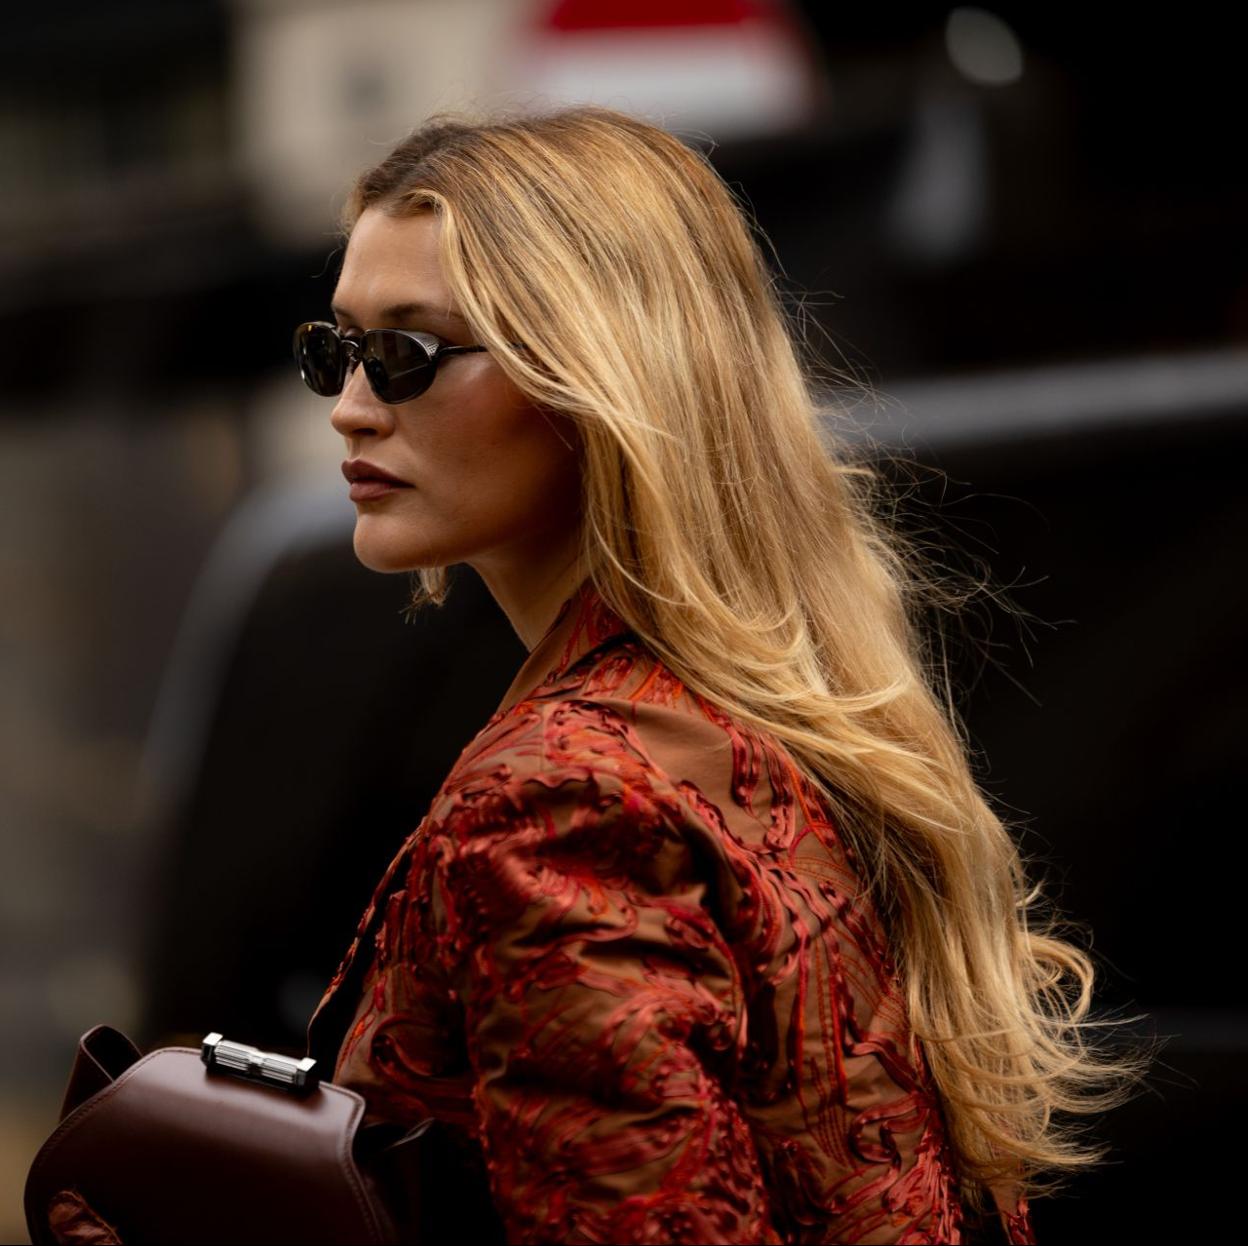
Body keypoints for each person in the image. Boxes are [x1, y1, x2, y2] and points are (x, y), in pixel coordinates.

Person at [293, 106, 1145, 1245]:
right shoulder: (780, 721)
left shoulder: (559, 801)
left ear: (596, 376)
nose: (351, 406)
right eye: (334, 349)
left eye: (405, 353)